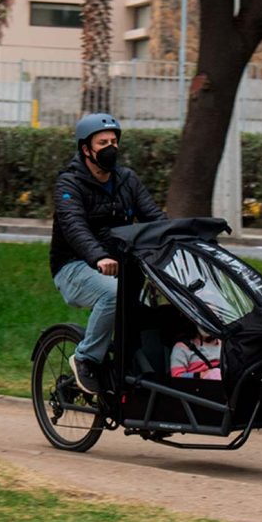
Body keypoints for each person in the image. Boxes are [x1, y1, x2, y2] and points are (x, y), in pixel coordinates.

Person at [50, 113, 166, 394]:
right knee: (113, 294)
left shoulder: (127, 179)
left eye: (114, 141)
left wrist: (182, 240)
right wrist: (98, 257)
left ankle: (144, 378)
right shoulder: (69, 184)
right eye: (102, 142)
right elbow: (74, 226)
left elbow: (154, 218)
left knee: (162, 307)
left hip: (122, 265)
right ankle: (86, 357)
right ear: (86, 149)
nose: (110, 147)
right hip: (75, 266)